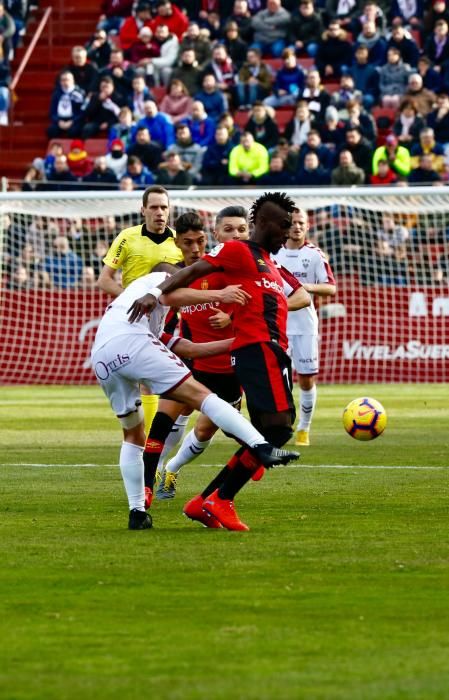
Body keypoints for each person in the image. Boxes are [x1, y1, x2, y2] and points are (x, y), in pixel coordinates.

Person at [127, 192, 311, 531]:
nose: (288, 231)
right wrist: (156, 294)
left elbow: (300, 295)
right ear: (265, 224)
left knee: (271, 430)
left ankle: (210, 499)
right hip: (254, 349)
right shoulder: (238, 251)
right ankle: (207, 497)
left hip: (259, 353)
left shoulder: (269, 264)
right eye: (283, 224)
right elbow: (191, 272)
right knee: (273, 430)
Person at [92, 260, 298, 529]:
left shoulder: (143, 311)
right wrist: (220, 294)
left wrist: (241, 342)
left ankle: (137, 512)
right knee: (201, 395)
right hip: (131, 343)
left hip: (102, 357)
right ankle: (261, 447)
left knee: (133, 434)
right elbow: (168, 293)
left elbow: (188, 348)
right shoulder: (158, 281)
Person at [97, 185, 183, 434]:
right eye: (154, 207)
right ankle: (148, 440)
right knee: (144, 382)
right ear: (143, 209)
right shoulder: (127, 237)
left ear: (170, 210)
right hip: (133, 318)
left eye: (164, 207)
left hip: (167, 317)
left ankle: (154, 439)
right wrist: (131, 298)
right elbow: (104, 279)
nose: (159, 212)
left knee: (166, 380)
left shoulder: (178, 241)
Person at [273, 208, 336, 447]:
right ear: (286, 226)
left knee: (307, 379)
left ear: (307, 227)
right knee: (279, 379)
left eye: (301, 223)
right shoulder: (274, 252)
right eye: (293, 223)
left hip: (305, 326)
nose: (297, 227)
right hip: (278, 325)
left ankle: (304, 428)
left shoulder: (315, 255)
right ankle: (282, 426)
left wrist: (305, 287)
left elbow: (331, 288)